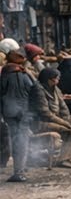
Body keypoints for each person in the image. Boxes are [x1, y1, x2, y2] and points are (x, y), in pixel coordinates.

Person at [31, 67, 71, 168]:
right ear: (49, 79)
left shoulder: (56, 89)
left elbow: (63, 108)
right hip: (41, 122)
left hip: (54, 119)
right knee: (68, 131)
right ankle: (63, 159)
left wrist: (69, 121)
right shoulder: (38, 90)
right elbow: (46, 114)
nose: (58, 80)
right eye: (56, 78)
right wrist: (66, 124)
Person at [1, 48, 35, 181]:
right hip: (25, 112)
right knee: (22, 139)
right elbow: (35, 89)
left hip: (10, 112)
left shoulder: (5, 74)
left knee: (16, 140)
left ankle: (18, 172)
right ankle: (21, 169)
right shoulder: (25, 74)